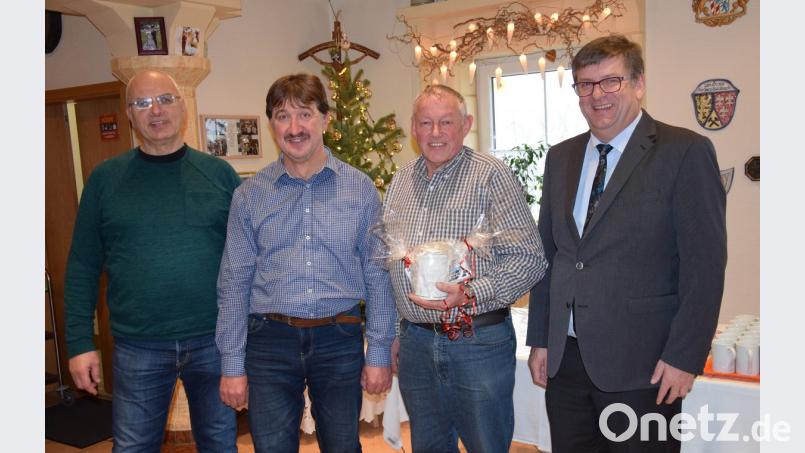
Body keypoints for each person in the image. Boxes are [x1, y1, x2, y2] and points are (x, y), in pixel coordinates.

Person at [526, 34, 727, 452]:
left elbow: (704, 266)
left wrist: (685, 357)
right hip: (567, 363)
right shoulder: (561, 157)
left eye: (611, 81)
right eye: (585, 84)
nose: (597, 94)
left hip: (645, 365)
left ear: (639, 84)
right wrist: (542, 339)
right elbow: (552, 256)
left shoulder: (684, 151)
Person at [215, 73, 396, 453]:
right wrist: (232, 362)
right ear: (271, 125)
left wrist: (378, 352)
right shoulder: (249, 196)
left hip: (339, 336)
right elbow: (234, 282)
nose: (294, 128)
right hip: (268, 341)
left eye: (305, 114)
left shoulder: (360, 188)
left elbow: (378, 275)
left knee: (343, 446)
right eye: (282, 116)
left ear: (326, 119)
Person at [65, 69, 241, 452]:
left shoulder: (219, 175)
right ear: (129, 113)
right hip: (137, 345)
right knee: (132, 447)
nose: (155, 110)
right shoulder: (105, 180)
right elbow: (81, 266)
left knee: (220, 444)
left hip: (214, 341)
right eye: (142, 103)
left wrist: (247, 336)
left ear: (182, 107)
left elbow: (248, 260)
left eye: (164, 99)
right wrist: (79, 342)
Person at [383, 84, 548, 452]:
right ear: (413, 128)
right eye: (426, 122)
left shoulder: (491, 175)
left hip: (477, 342)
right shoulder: (400, 182)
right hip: (417, 344)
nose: (436, 133)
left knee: (485, 445)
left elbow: (530, 259)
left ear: (466, 123)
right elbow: (393, 264)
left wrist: (470, 293)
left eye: (446, 122)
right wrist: (398, 330)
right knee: (428, 446)